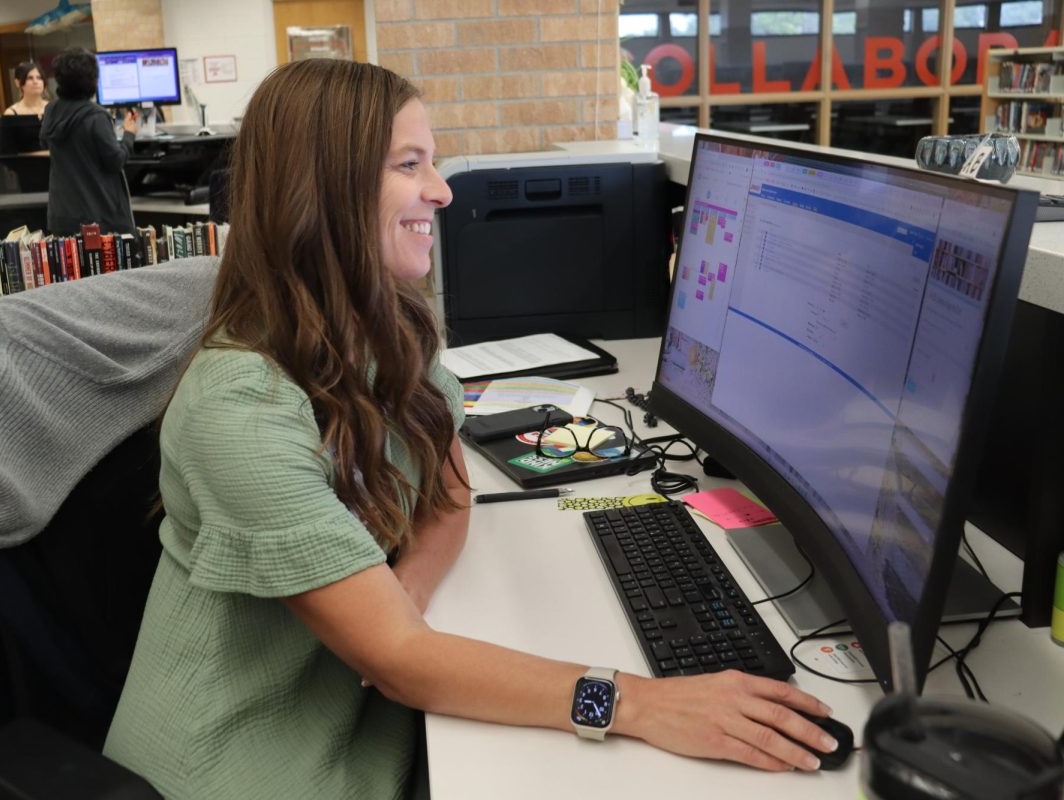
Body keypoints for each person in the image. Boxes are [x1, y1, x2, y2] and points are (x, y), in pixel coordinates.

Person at [102, 59, 838, 799]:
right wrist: (639, 704)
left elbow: (448, 488)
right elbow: (394, 658)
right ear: (322, 189)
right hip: (239, 766)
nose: (442, 191)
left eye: (435, 162)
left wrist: (408, 590)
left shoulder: (382, 329)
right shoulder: (240, 410)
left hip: (361, 726)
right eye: (409, 164)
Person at [40, 47, 136, 235]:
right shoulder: (96, 116)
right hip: (98, 218)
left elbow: (45, 142)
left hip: (62, 216)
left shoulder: (51, 110)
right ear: (92, 80)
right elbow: (115, 161)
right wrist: (129, 135)